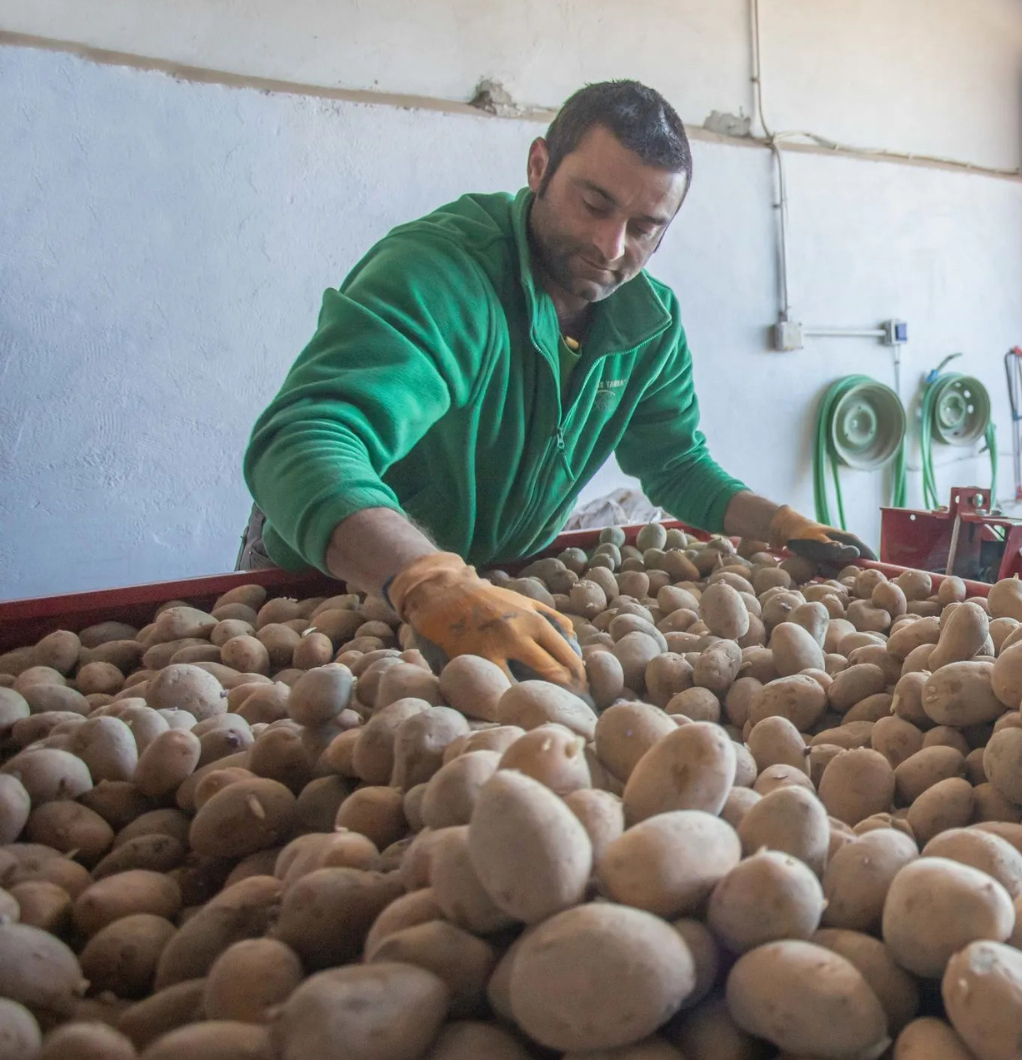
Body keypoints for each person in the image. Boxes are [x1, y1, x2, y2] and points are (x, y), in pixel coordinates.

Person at [241, 80, 870, 692]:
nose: (610, 245)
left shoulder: (646, 321)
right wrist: (427, 584)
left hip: (493, 589)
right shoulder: (443, 275)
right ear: (539, 165)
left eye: (645, 226)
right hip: (337, 586)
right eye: (594, 205)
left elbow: (675, 462)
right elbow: (303, 442)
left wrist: (781, 522)